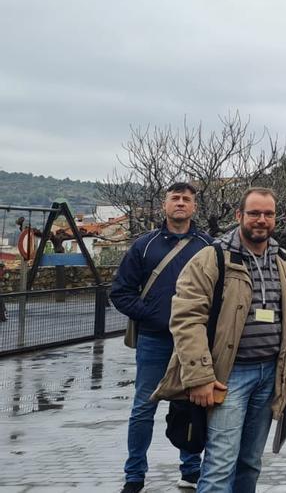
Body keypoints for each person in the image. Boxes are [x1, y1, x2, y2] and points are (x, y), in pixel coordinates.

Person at [153, 188, 286, 493]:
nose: (261, 220)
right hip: (228, 377)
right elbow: (187, 319)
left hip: (270, 376)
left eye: (268, 214)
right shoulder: (212, 259)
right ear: (239, 216)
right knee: (220, 464)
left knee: (250, 463)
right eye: (254, 213)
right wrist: (199, 377)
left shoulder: (285, 261)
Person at [110, 182, 213, 492]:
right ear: (164, 204)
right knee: (144, 407)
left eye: (186, 199)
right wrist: (155, 317)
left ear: (194, 207)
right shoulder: (144, 246)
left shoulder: (208, 247)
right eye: (175, 198)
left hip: (194, 341)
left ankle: (191, 469)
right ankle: (134, 475)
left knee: (193, 404)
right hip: (155, 340)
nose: (180, 203)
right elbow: (120, 292)